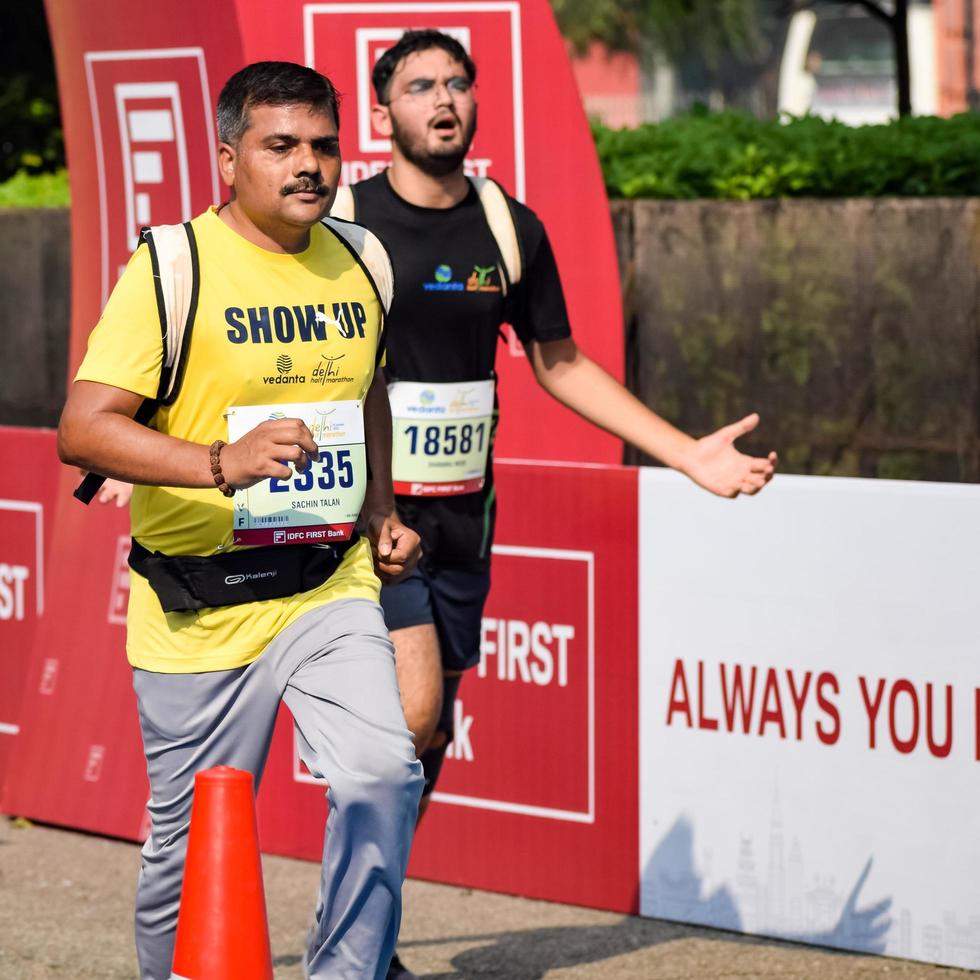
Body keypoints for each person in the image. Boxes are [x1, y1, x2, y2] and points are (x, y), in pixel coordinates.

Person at [332, 30, 779, 980]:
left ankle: (363, 940)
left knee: (429, 730)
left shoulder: (507, 226)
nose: (444, 99)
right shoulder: (339, 221)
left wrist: (682, 455)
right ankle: (355, 952)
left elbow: (560, 362)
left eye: (458, 83)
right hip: (359, 518)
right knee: (407, 722)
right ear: (383, 116)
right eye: (419, 87)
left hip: (460, 517)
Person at [58, 61, 424, 980]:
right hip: (199, 608)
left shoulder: (364, 257)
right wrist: (223, 464)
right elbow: (83, 430)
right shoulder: (170, 267)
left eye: (324, 145)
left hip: (324, 586)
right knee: (185, 855)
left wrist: (380, 507)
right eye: (281, 146)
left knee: (383, 774)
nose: (310, 165)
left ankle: (347, 974)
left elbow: (368, 387)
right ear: (229, 159)